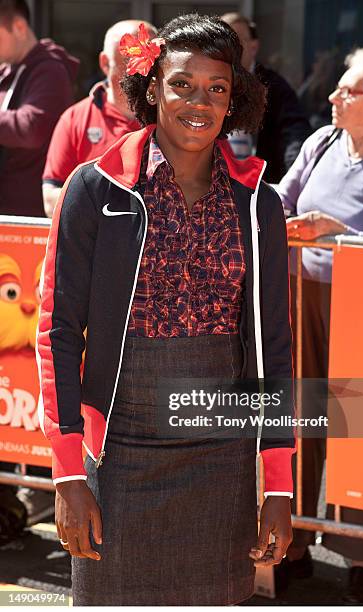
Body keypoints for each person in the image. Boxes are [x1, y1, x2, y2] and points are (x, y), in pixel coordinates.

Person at [36, 14, 296, 605]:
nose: (198, 101)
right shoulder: (96, 189)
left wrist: (276, 485)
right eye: (182, 83)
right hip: (119, 450)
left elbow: (272, 345)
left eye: (217, 87)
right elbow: (57, 332)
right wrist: (69, 473)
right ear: (152, 88)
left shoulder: (258, 203)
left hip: (222, 459)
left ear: (236, 100)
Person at [276, 47, 363, 604]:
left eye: (348, 90)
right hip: (301, 295)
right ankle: (295, 541)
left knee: (359, 424)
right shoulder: (319, 142)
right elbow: (278, 201)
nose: (332, 97)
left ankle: (361, 553)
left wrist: (339, 233)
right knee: (299, 414)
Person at [42, 19, 156, 218]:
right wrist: (105, 214)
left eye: (150, 61)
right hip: (96, 244)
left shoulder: (172, 117)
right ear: (105, 63)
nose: (142, 71)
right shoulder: (75, 118)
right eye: (130, 60)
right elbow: (51, 198)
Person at [0, 0, 79, 217]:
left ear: (19, 27)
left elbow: (31, 128)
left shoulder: (50, 70)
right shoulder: (8, 69)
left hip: (27, 214)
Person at [220, 12, 311, 182]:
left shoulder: (274, 86)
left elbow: (294, 132)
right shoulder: (208, 82)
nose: (229, 48)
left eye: (236, 40)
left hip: (260, 183)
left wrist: (295, 176)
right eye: (222, 41)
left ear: (254, 47)